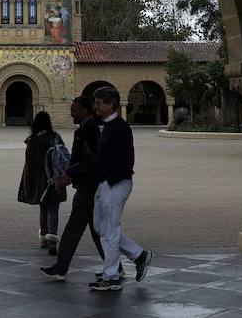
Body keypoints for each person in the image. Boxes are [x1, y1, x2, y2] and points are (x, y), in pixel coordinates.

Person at [87, 86, 153, 291]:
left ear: (111, 105)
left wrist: (112, 179)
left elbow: (126, 158)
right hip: (106, 184)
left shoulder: (120, 127)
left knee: (110, 230)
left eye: (99, 103)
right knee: (101, 227)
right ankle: (139, 254)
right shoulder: (109, 125)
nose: (96, 107)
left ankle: (111, 276)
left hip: (116, 184)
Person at [38, 96, 109, 281]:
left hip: (89, 186)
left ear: (85, 111)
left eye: (74, 111)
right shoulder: (86, 128)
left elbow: (90, 160)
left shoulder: (88, 129)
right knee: (96, 230)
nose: (71, 114)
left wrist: (68, 174)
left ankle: (61, 268)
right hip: (89, 185)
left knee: (73, 229)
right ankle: (115, 266)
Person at [18, 111, 66, 255]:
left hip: (39, 180)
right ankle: (52, 240)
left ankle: (44, 238)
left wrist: (27, 183)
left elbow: (28, 165)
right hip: (55, 178)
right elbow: (64, 157)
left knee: (43, 208)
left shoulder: (32, 141)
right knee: (53, 208)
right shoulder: (55, 137)